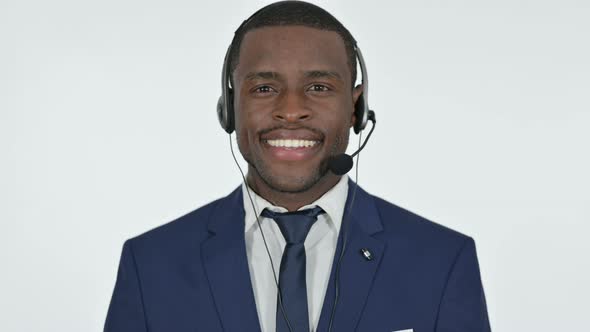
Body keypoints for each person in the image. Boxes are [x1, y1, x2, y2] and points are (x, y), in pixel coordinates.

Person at [104, 1, 491, 331]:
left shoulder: (442, 261)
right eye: (264, 88)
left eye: (319, 87)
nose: (290, 111)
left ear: (356, 108)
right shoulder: (150, 265)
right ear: (229, 107)